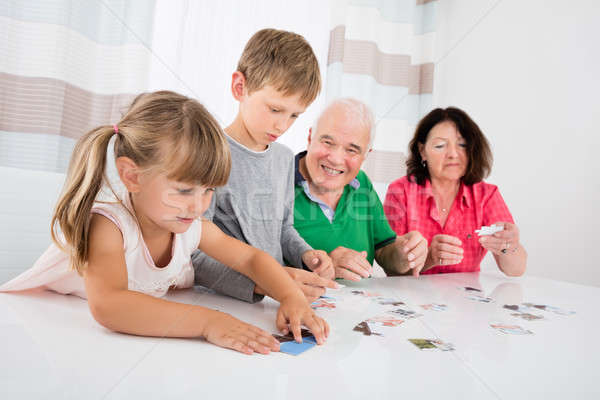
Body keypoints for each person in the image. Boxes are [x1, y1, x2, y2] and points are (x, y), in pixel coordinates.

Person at [0, 91, 329, 354]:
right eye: (184, 190)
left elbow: (250, 258)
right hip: (30, 327)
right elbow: (110, 306)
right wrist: (207, 323)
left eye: (208, 190)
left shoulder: (189, 225)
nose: (198, 204)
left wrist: (291, 297)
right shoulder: (108, 225)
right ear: (132, 176)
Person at [192, 28, 337, 304]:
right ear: (240, 88)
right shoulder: (208, 153)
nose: (282, 126)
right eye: (274, 109)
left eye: (295, 115)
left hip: (277, 300)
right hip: (221, 301)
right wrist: (267, 283)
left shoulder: (284, 158)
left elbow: (283, 229)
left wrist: (306, 255)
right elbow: (194, 253)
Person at [293, 98, 428, 279]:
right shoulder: (276, 182)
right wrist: (324, 266)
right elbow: (257, 269)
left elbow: (383, 251)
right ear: (310, 137)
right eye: (327, 142)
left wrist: (404, 253)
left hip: (360, 305)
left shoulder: (362, 183)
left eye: (352, 150)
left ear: (366, 155)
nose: (335, 159)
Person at [383, 107, 527, 276]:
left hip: (465, 299)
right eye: (440, 145)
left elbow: (516, 270)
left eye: (462, 145)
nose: (453, 154)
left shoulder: (487, 195)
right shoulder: (401, 191)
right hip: (412, 296)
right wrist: (430, 257)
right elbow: (391, 269)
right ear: (422, 151)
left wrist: (509, 245)